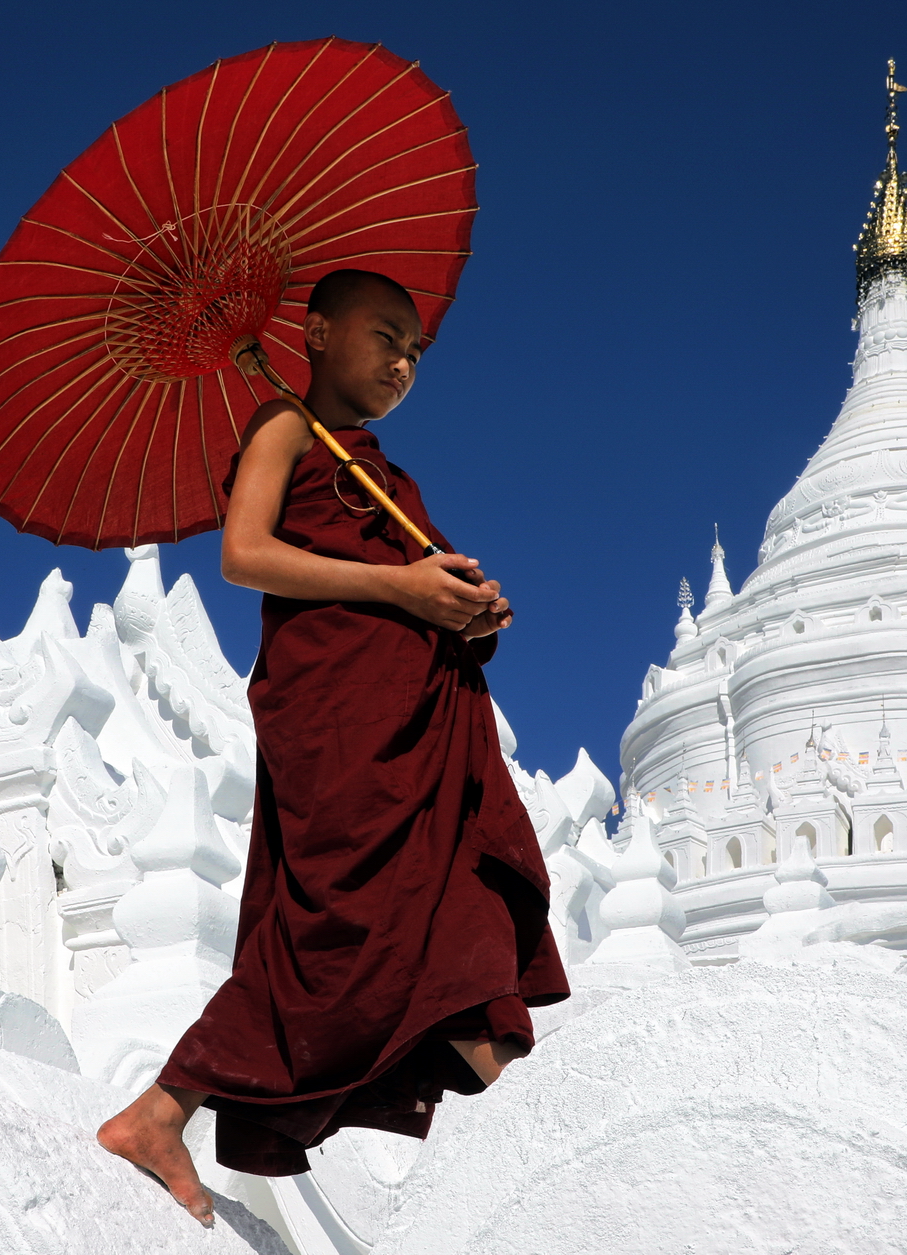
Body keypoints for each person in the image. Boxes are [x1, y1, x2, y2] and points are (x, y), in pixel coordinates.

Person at [96, 268, 568, 1224]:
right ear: (314, 334)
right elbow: (243, 554)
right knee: (337, 919)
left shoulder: (385, 476)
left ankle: (500, 1108)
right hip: (342, 723)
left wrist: (462, 611)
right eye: (385, 336)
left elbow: (407, 584)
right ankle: (161, 1108)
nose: (402, 363)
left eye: (416, 351)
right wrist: (402, 588)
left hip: (415, 725)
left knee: (456, 923)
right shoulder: (283, 425)